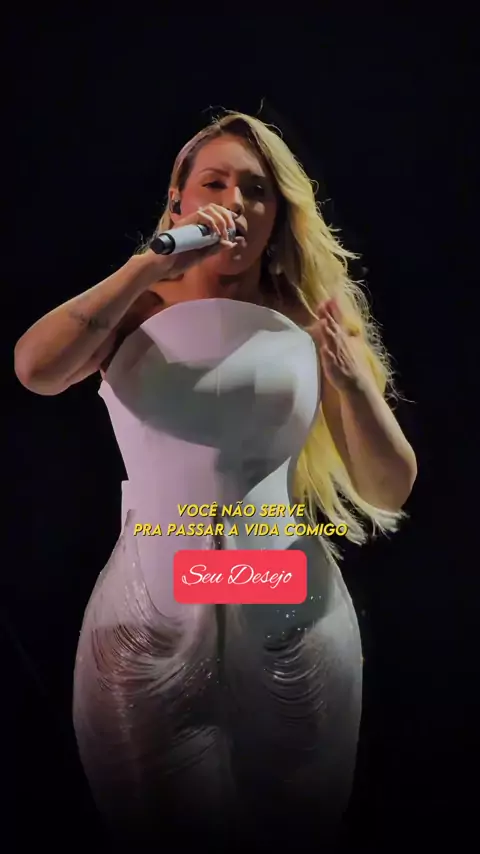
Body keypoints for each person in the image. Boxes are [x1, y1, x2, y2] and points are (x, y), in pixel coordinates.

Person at [14, 112, 417, 850]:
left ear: (278, 213)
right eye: (216, 183)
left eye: (257, 190)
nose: (236, 202)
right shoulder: (135, 305)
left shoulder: (311, 318)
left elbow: (389, 487)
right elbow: (36, 369)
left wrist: (356, 384)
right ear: (180, 199)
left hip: (288, 612)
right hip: (149, 615)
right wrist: (149, 264)